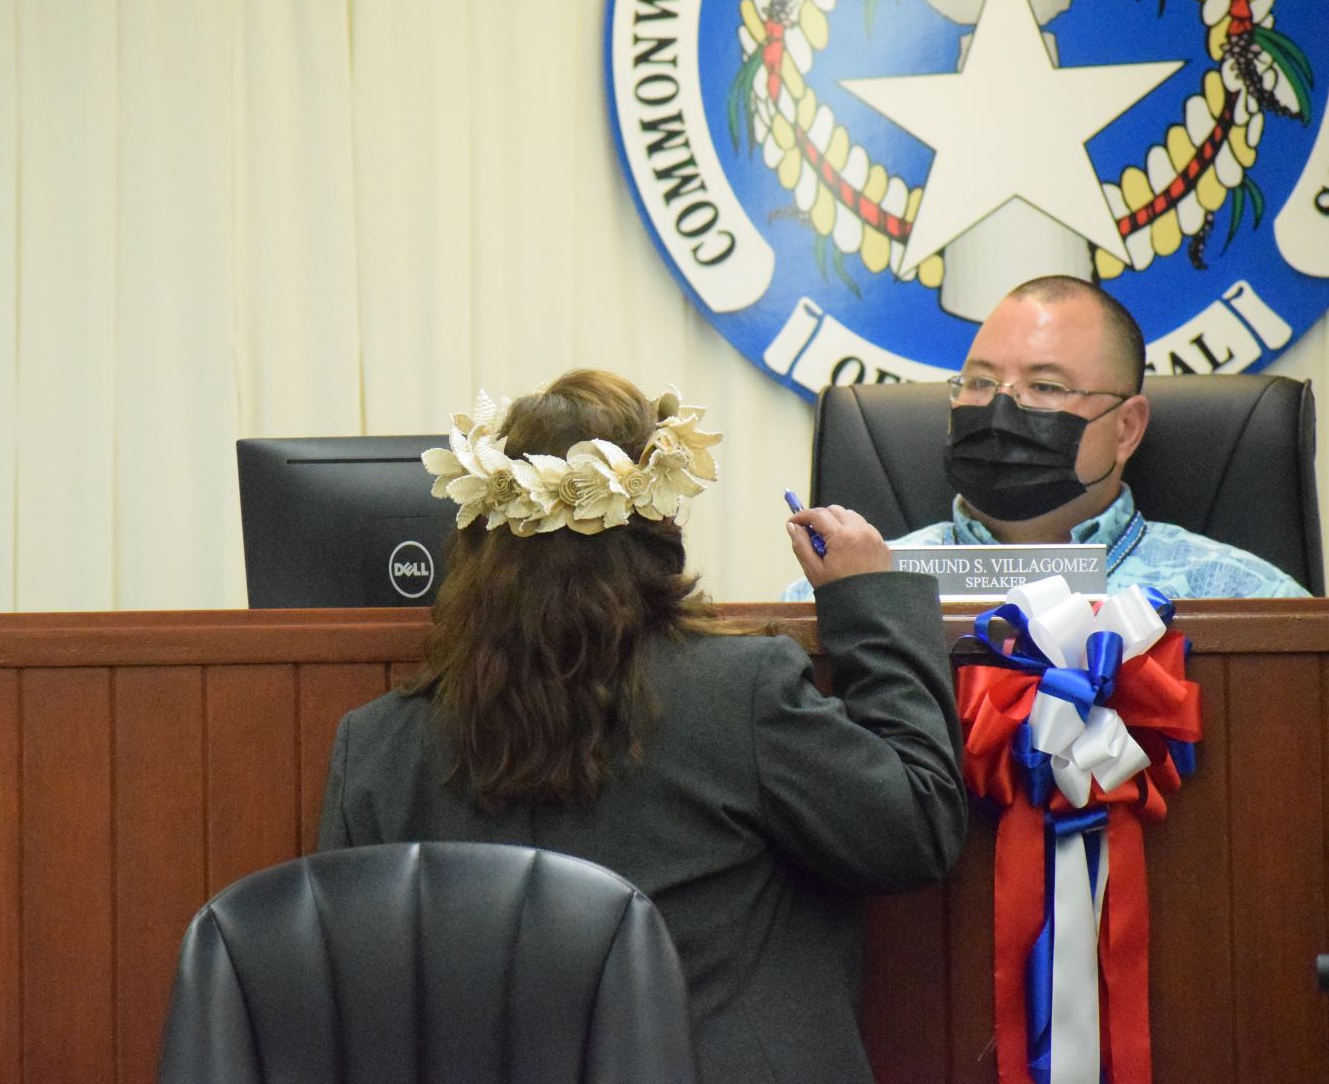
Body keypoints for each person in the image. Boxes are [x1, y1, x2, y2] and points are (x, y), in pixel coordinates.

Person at [318, 369, 966, 1082]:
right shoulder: (740, 694)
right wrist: (870, 598)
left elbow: (359, 1008)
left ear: (473, 536)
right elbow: (913, 826)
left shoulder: (375, 746)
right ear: (659, 524)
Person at [786, 275, 1309, 600]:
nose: (1000, 408)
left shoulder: (1246, 597)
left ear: (1126, 428)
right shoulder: (851, 588)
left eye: (1045, 386)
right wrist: (857, 602)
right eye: (979, 382)